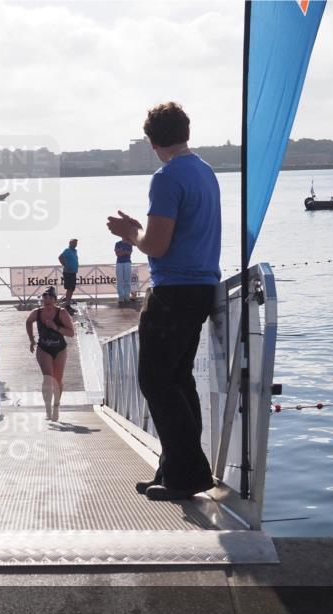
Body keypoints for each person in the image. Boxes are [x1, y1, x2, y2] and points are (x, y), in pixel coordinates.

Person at [106, 101, 220, 502]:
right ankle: (175, 469)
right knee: (178, 380)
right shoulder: (205, 172)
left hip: (173, 290)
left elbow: (156, 245)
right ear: (185, 131)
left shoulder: (167, 178)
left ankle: (187, 474)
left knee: (155, 381)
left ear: (152, 142)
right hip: (202, 287)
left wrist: (131, 232)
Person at [25, 287, 75, 421]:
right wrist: (31, 339)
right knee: (48, 378)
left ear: (55, 300)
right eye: (44, 297)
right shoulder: (37, 312)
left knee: (57, 380)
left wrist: (56, 327)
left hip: (60, 349)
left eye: (49, 298)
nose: (46, 300)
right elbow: (28, 322)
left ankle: (56, 407)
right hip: (44, 349)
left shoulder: (62, 313)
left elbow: (71, 333)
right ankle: (48, 409)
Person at [58, 238, 79, 310]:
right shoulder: (67, 250)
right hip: (68, 272)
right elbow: (60, 257)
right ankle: (67, 304)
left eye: (76, 243)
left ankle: (68, 303)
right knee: (69, 288)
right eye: (74, 243)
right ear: (70, 243)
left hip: (73, 272)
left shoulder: (75, 251)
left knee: (72, 289)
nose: (75, 244)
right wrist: (65, 265)